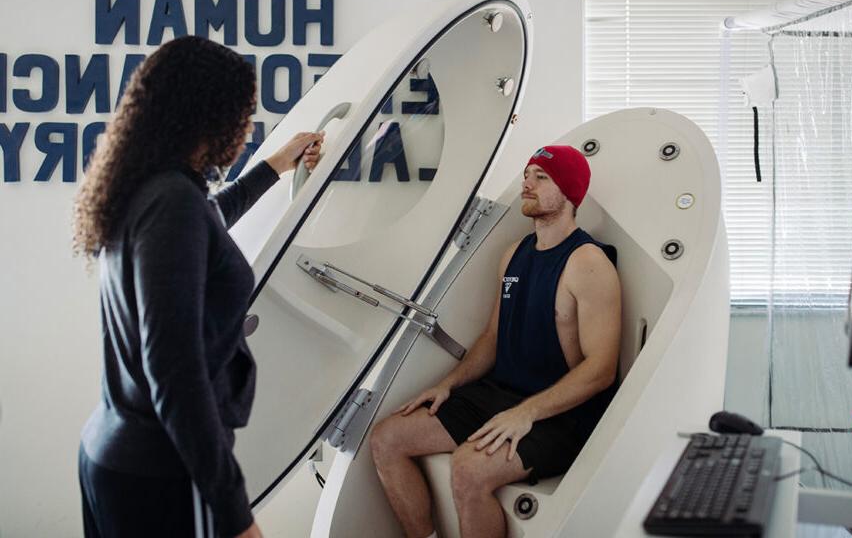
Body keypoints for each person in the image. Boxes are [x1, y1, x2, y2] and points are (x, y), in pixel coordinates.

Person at [72, 35, 322, 538]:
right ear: (210, 115)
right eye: (243, 113)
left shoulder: (149, 189)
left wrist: (276, 166)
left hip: (116, 454)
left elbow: (210, 217)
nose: (246, 127)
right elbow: (176, 374)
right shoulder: (172, 202)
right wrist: (236, 514)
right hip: (158, 472)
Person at [370, 145, 622, 538]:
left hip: (561, 416)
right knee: (387, 438)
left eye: (542, 177)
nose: (527, 184)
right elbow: (492, 337)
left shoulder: (587, 263)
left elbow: (601, 370)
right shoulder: (514, 255)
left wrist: (528, 413)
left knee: (469, 469)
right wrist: (447, 385)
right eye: (527, 174)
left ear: (570, 193)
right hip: (500, 395)